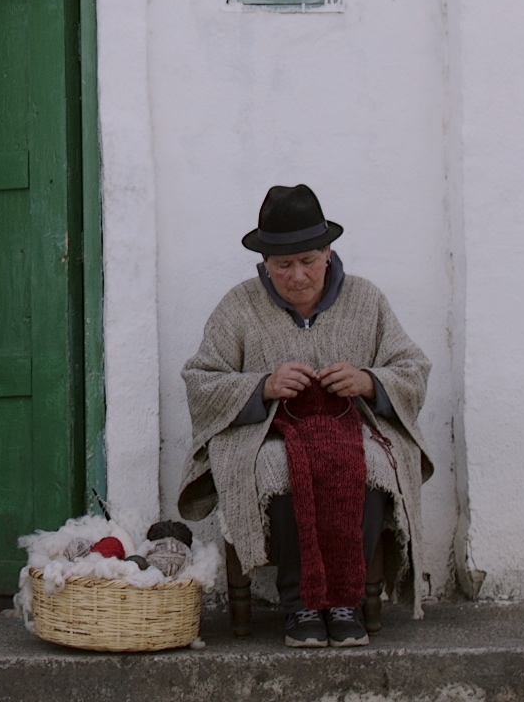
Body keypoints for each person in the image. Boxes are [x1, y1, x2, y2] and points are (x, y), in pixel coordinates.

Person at [176, 184, 432, 649]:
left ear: (328, 253)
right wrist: (263, 386)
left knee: (371, 461)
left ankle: (345, 602)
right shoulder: (238, 306)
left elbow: (413, 368)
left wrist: (368, 381)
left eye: (309, 261)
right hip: (269, 436)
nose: (297, 276)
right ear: (265, 263)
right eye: (283, 265)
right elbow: (201, 379)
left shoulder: (367, 300)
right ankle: (301, 605)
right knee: (281, 463)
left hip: (352, 430)